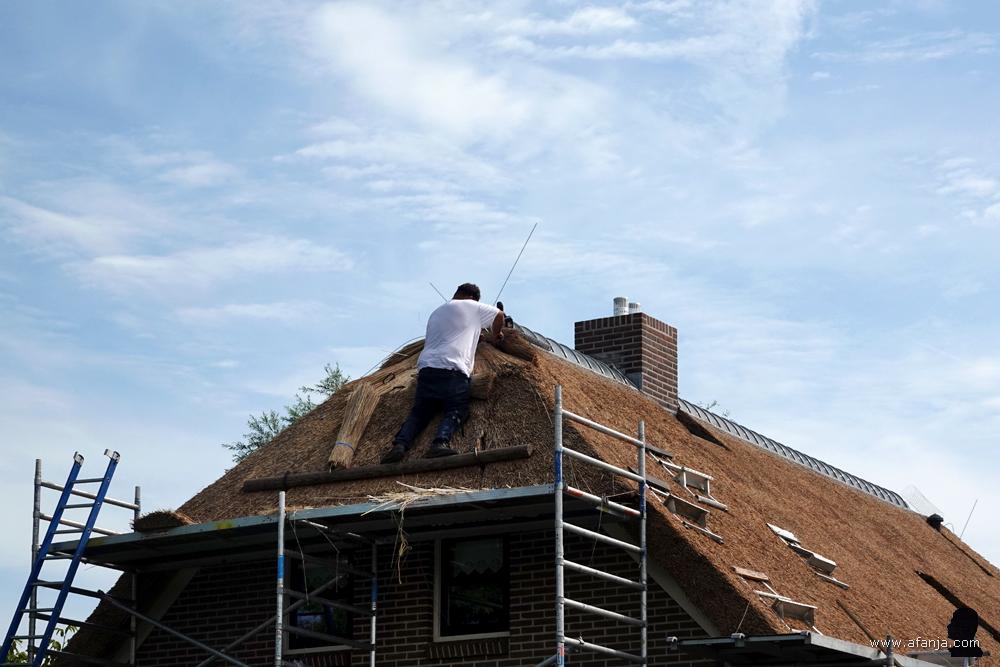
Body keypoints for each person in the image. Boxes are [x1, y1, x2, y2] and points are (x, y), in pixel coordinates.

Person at [380, 283, 504, 464]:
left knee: (420, 413)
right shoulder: (471, 306)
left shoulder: (437, 312)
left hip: (427, 369)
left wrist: (478, 336)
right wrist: (497, 333)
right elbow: (498, 315)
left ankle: (400, 445)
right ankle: (439, 443)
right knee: (457, 409)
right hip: (452, 369)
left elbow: (452, 335)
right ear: (472, 298)